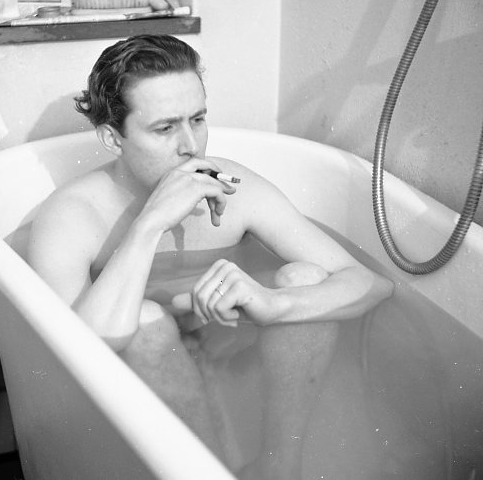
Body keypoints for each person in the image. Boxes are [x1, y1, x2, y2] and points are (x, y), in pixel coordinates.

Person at [27, 34, 393, 479]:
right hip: (137, 400)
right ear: (112, 137)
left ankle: (281, 467)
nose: (191, 145)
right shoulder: (72, 216)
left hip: (238, 357)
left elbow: (371, 284)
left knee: (306, 279)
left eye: (197, 119)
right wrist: (150, 222)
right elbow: (75, 356)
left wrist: (274, 305)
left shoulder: (236, 189)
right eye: (165, 128)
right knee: (142, 322)